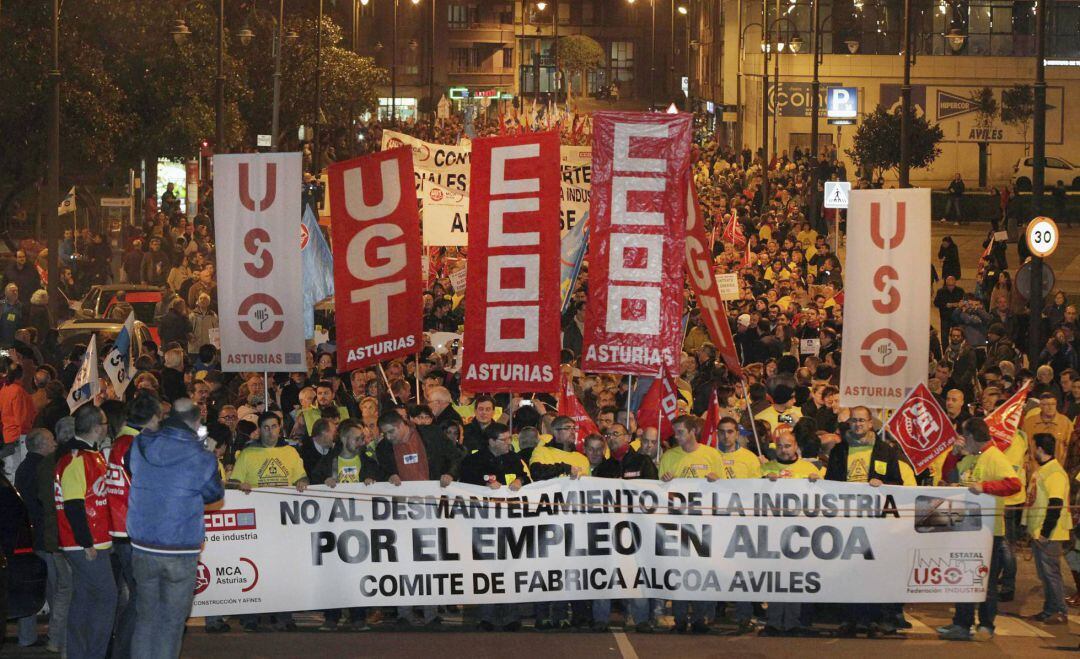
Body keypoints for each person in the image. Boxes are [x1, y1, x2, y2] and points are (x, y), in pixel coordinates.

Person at [128, 398, 224, 658]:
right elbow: (214, 494)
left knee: (145, 619)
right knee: (171, 623)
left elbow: (132, 469)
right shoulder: (200, 456)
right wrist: (210, 455)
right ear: (196, 422)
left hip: (142, 545)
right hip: (180, 548)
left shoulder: (140, 444)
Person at [372, 411, 461, 627]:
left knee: (430, 562)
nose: (389, 437)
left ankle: (431, 613)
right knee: (404, 562)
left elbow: (456, 456)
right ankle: (404, 612)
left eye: (391, 432)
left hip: (432, 508)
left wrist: (450, 473)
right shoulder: (384, 448)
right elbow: (379, 469)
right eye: (385, 434)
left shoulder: (430, 434)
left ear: (402, 424)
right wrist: (388, 476)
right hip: (402, 512)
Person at [938, 418, 1021, 641]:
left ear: (972, 437)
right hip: (965, 530)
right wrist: (953, 454)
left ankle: (986, 625)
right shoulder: (971, 457)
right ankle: (962, 624)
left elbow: (1014, 484)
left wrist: (984, 487)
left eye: (962, 436)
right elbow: (949, 476)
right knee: (963, 579)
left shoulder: (995, 457)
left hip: (988, 532)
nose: (960, 440)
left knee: (987, 580)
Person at [228, 411, 309, 632]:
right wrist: (240, 486)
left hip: (283, 521)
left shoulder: (290, 452)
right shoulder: (248, 453)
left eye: (274, 427)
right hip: (257, 520)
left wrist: (302, 482)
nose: (270, 431)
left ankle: (284, 615)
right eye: (265, 427)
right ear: (260, 429)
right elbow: (233, 482)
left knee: (283, 569)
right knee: (255, 567)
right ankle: (251, 616)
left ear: (280, 428)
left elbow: (301, 477)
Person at [55, 403, 118, 659]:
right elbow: (72, 505)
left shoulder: (90, 456)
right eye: (104, 424)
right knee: (107, 598)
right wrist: (86, 543)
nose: (106, 428)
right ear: (95, 428)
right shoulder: (76, 459)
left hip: (90, 542)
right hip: (85, 544)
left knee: (83, 600)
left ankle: (81, 654)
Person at [106, 392, 163, 659]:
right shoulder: (137, 445)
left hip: (120, 531)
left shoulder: (120, 441)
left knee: (136, 597)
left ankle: (123, 650)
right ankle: (126, 652)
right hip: (134, 532)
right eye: (159, 417)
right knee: (141, 599)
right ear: (152, 418)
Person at [458, 422, 531, 631]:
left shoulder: (513, 458)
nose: (509, 442)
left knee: (510, 568)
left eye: (510, 438)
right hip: (483, 523)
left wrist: (519, 479)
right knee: (486, 569)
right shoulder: (474, 460)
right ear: (491, 441)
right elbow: (466, 479)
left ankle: (511, 616)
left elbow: (525, 476)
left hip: (510, 524)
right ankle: (486, 617)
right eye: (504, 439)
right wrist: (487, 481)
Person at [591, 423, 656, 633]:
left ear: (628, 437)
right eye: (608, 435)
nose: (611, 438)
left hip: (636, 529)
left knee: (636, 574)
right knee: (605, 572)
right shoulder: (604, 467)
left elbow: (653, 494)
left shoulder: (643, 462)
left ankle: (641, 619)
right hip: (609, 530)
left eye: (616, 434)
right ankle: (600, 619)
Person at [660, 415, 723, 633]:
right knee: (678, 572)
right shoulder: (669, 456)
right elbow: (660, 492)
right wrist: (665, 481)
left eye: (680, 432)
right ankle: (679, 619)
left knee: (701, 572)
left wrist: (716, 481)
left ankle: (699, 618)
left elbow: (724, 489)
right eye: (675, 432)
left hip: (704, 525)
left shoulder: (711, 455)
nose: (676, 436)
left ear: (693, 431)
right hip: (677, 526)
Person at [760, 427, 821, 635]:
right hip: (772, 533)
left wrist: (817, 484)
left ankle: (793, 622)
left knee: (795, 579)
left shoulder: (809, 469)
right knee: (775, 579)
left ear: (796, 446)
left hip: (799, 533)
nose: (784, 450)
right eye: (780, 446)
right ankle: (774, 622)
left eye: (788, 446)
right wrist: (762, 483)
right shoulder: (765, 469)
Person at [1023, 433, 1071, 625]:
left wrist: (1044, 532)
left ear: (1040, 449)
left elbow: (1055, 504)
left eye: (1033, 447)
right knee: (1045, 574)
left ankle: (1059, 611)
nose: (1032, 451)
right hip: (1040, 532)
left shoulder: (1055, 473)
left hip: (1049, 534)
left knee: (1051, 574)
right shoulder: (1044, 470)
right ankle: (1049, 609)